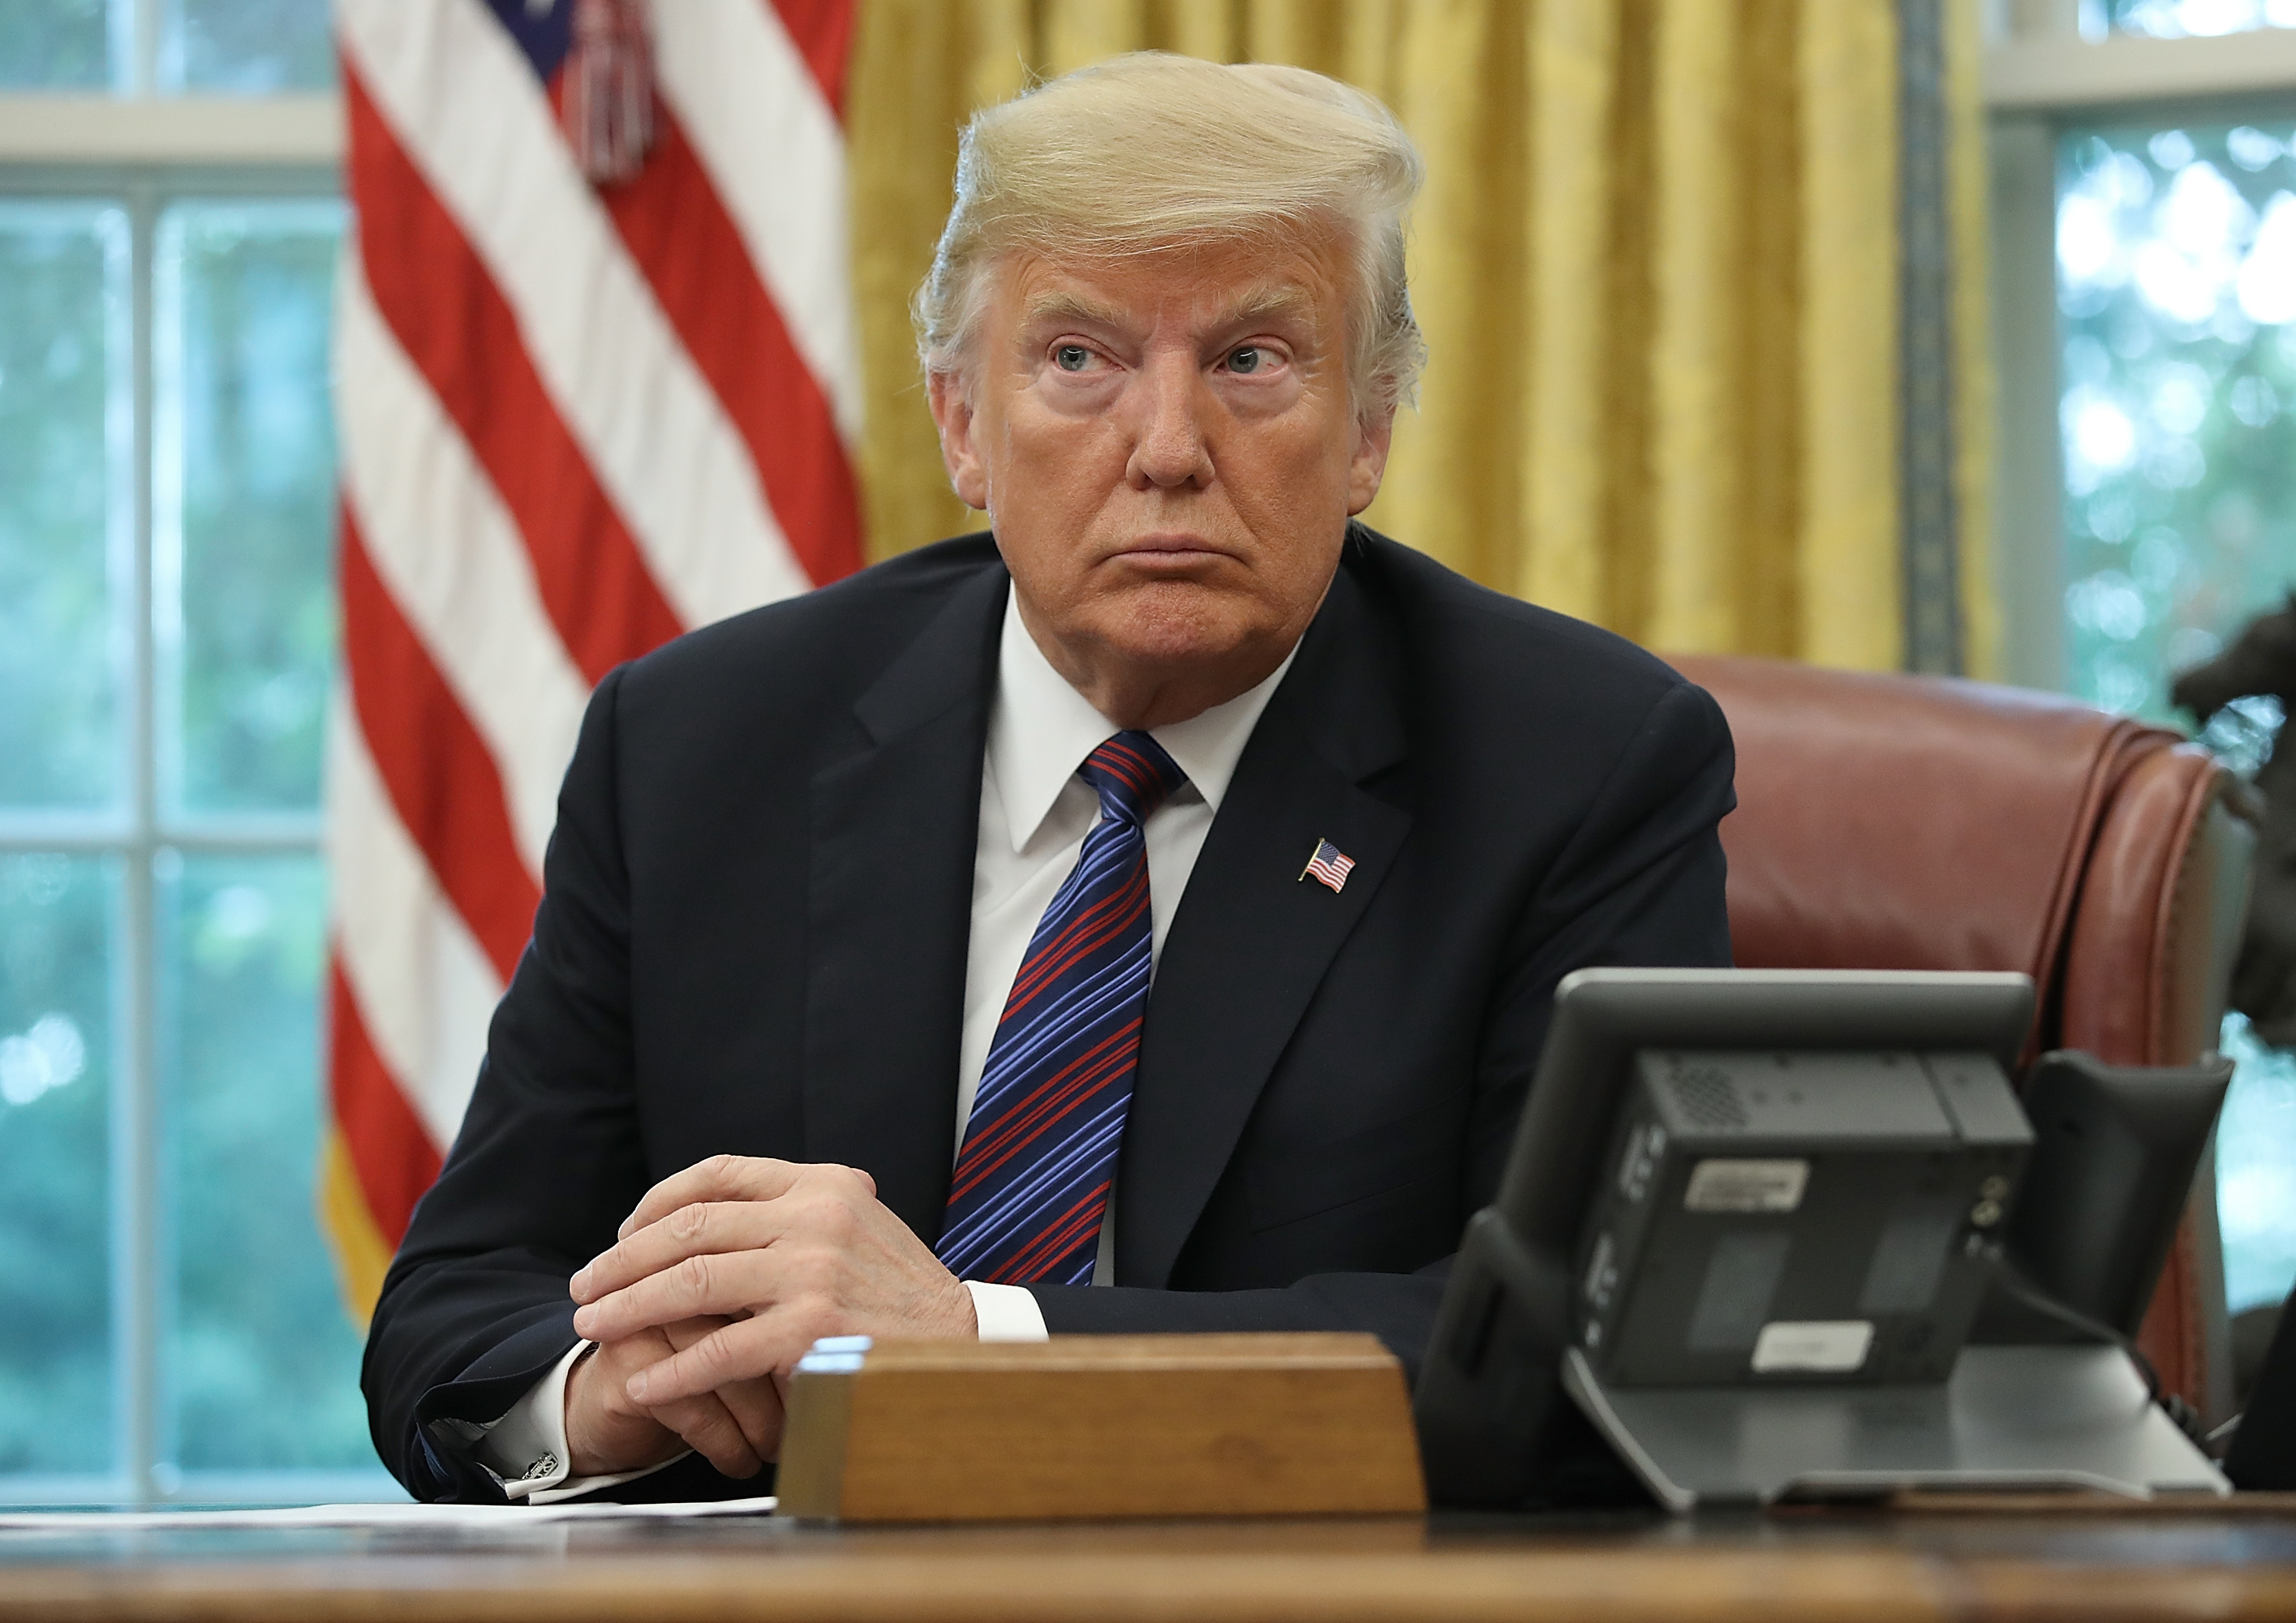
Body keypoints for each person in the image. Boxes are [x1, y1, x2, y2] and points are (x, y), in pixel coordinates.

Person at [364, 51, 1735, 1505]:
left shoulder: (1579, 763)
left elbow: (1589, 1344)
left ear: (1371, 430)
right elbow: (456, 1311)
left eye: (1251, 361)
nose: (1165, 451)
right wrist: (618, 1387)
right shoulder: (700, 744)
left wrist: (974, 1340)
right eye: (1078, 359)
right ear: (962, 424)